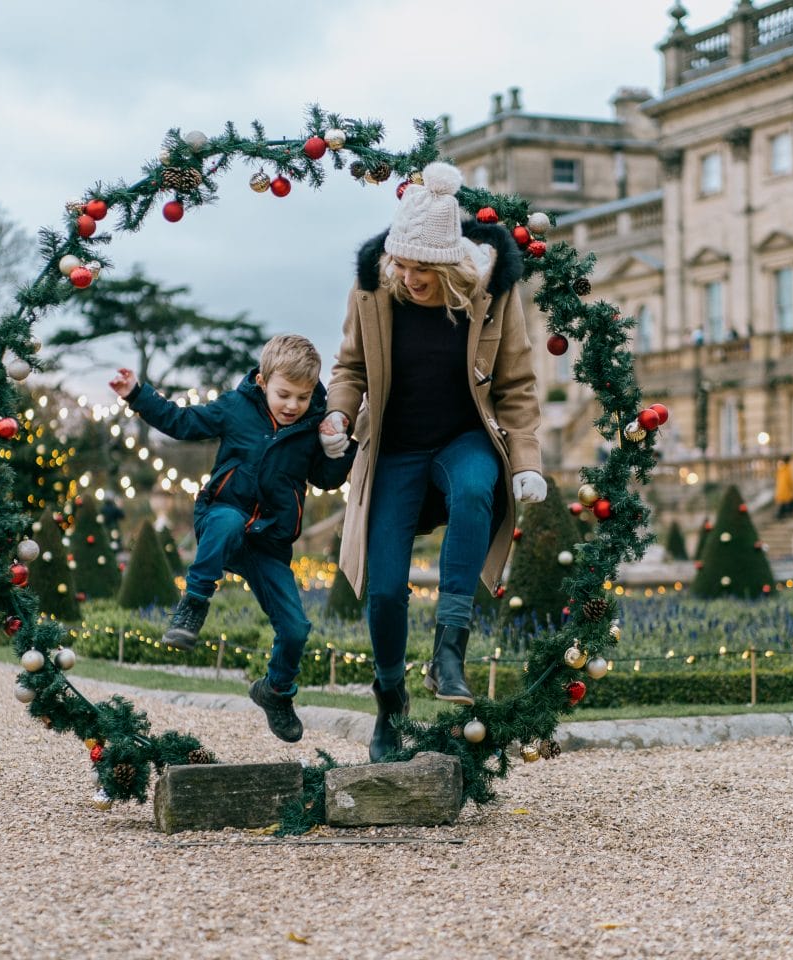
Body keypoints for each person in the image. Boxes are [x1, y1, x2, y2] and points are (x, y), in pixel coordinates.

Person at [319, 160, 546, 762]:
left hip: (463, 437)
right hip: (395, 446)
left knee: (476, 486)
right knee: (386, 589)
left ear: (449, 264)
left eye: (424, 269)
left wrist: (525, 459)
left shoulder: (492, 294)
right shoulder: (372, 289)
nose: (411, 279)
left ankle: (450, 650)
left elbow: (517, 383)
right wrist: (340, 414)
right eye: (404, 266)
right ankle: (390, 699)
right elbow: (350, 368)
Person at [108, 334, 356, 743]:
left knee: (295, 628)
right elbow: (181, 422)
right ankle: (194, 603)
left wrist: (340, 448)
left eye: (302, 396)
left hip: (269, 542)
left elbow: (326, 480)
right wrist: (137, 393)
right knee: (225, 523)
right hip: (222, 514)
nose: (292, 405)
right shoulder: (235, 408)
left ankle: (276, 691)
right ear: (262, 381)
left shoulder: (312, 426)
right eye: (284, 394)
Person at [774, 454, 793, 520]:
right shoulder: (787, 468)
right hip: (786, 489)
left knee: (783, 503)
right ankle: (785, 514)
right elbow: (790, 480)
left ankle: (781, 515)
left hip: (780, 489)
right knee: (789, 501)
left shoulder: (781, 468)